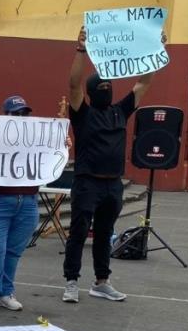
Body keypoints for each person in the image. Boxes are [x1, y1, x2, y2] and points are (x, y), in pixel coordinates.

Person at [62, 25, 157, 304]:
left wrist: (154, 50)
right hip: (87, 181)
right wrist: (81, 49)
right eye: (101, 88)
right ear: (92, 92)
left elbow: (143, 84)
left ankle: (101, 282)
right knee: (78, 233)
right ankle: (71, 281)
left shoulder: (120, 111)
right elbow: (73, 85)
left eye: (108, 87)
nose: (106, 89)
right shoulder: (82, 113)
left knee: (104, 234)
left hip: (113, 183)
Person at [0, 95, 58, 313]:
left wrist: (61, 145)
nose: (21, 117)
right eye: (16, 113)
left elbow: (50, 159)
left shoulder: (36, 137)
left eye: (24, 113)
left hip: (28, 201)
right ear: (6, 116)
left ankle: (5, 292)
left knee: (14, 250)